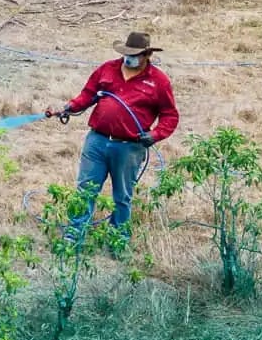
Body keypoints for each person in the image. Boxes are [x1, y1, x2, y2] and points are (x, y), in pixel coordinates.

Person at [45, 30, 179, 236]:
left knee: (122, 196)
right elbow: (88, 94)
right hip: (97, 141)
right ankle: (74, 236)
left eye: (135, 55)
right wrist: (69, 107)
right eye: (127, 54)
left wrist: (154, 135)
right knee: (85, 190)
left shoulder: (159, 82)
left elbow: (170, 116)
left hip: (129, 147)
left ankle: (118, 238)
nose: (129, 58)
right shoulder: (107, 69)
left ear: (147, 56)